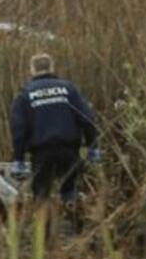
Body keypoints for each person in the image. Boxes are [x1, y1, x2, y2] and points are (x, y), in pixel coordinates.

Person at [9, 53, 100, 204]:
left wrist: (18, 159)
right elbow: (87, 118)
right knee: (70, 191)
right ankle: (75, 221)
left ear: (32, 70)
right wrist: (93, 147)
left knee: (41, 194)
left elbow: (19, 129)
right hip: (69, 151)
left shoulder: (25, 94)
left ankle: (45, 225)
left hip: (42, 153)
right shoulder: (69, 89)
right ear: (52, 67)